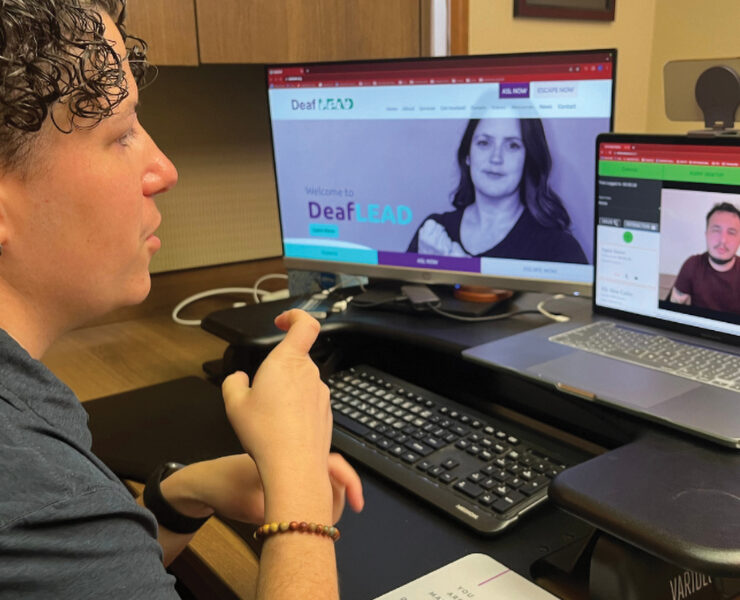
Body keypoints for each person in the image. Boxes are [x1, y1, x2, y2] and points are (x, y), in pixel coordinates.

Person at [0, 1, 363, 598]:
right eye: (120, 135)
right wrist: (298, 492)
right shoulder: (36, 496)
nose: (163, 169)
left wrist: (182, 496)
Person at [407, 118, 587, 263]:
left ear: (528, 159)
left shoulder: (558, 247)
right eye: (484, 143)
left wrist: (462, 269)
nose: (496, 158)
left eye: (512, 146)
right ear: (467, 155)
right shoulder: (433, 233)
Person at [669, 201, 740, 314]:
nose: (723, 240)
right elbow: (673, 311)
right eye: (716, 230)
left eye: (731, 232)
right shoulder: (692, 265)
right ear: (706, 234)